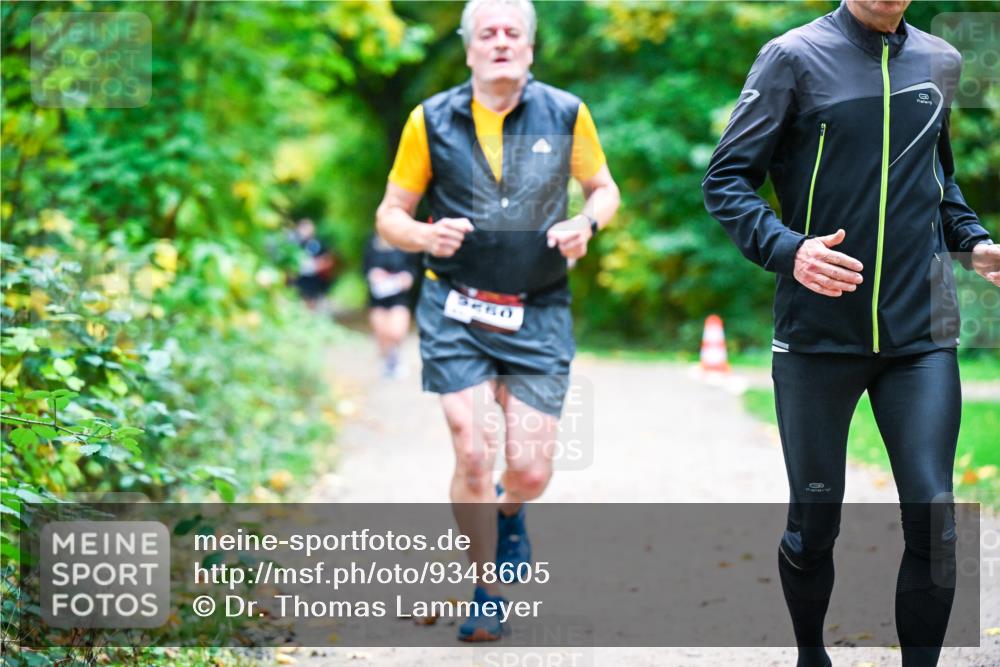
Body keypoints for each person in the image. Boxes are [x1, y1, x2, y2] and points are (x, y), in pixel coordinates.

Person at [703, 1, 999, 665]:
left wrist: (974, 242)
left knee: (935, 515)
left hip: (920, 332)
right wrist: (789, 249)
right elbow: (726, 178)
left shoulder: (938, 61)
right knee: (814, 526)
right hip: (817, 337)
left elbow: (938, 179)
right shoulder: (793, 58)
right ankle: (812, 653)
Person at [375, 0, 620, 642]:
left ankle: (512, 512)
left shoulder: (566, 112)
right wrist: (425, 238)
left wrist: (584, 222)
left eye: (514, 32)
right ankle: (487, 589)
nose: (502, 41)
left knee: (532, 468)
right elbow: (390, 216)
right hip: (455, 305)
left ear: (531, 48)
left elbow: (604, 188)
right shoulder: (430, 120)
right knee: (472, 444)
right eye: (488, 33)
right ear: (469, 49)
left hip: (538, 307)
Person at [362, 232, 422, 378]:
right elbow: (364, 269)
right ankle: (388, 361)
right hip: (378, 297)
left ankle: (395, 357)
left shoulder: (404, 245)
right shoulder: (371, 244)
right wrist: (373, 275)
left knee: (396, 331)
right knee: (381, 332)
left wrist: (406, 278)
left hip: (399, 297)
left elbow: (413, 270)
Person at [290, 217, 337, 313]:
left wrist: (318, 265)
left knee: (313, 303)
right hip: (299, 279)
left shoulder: (319, 244)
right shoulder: (293, 245)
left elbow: (329, 260)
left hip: (315, 280)